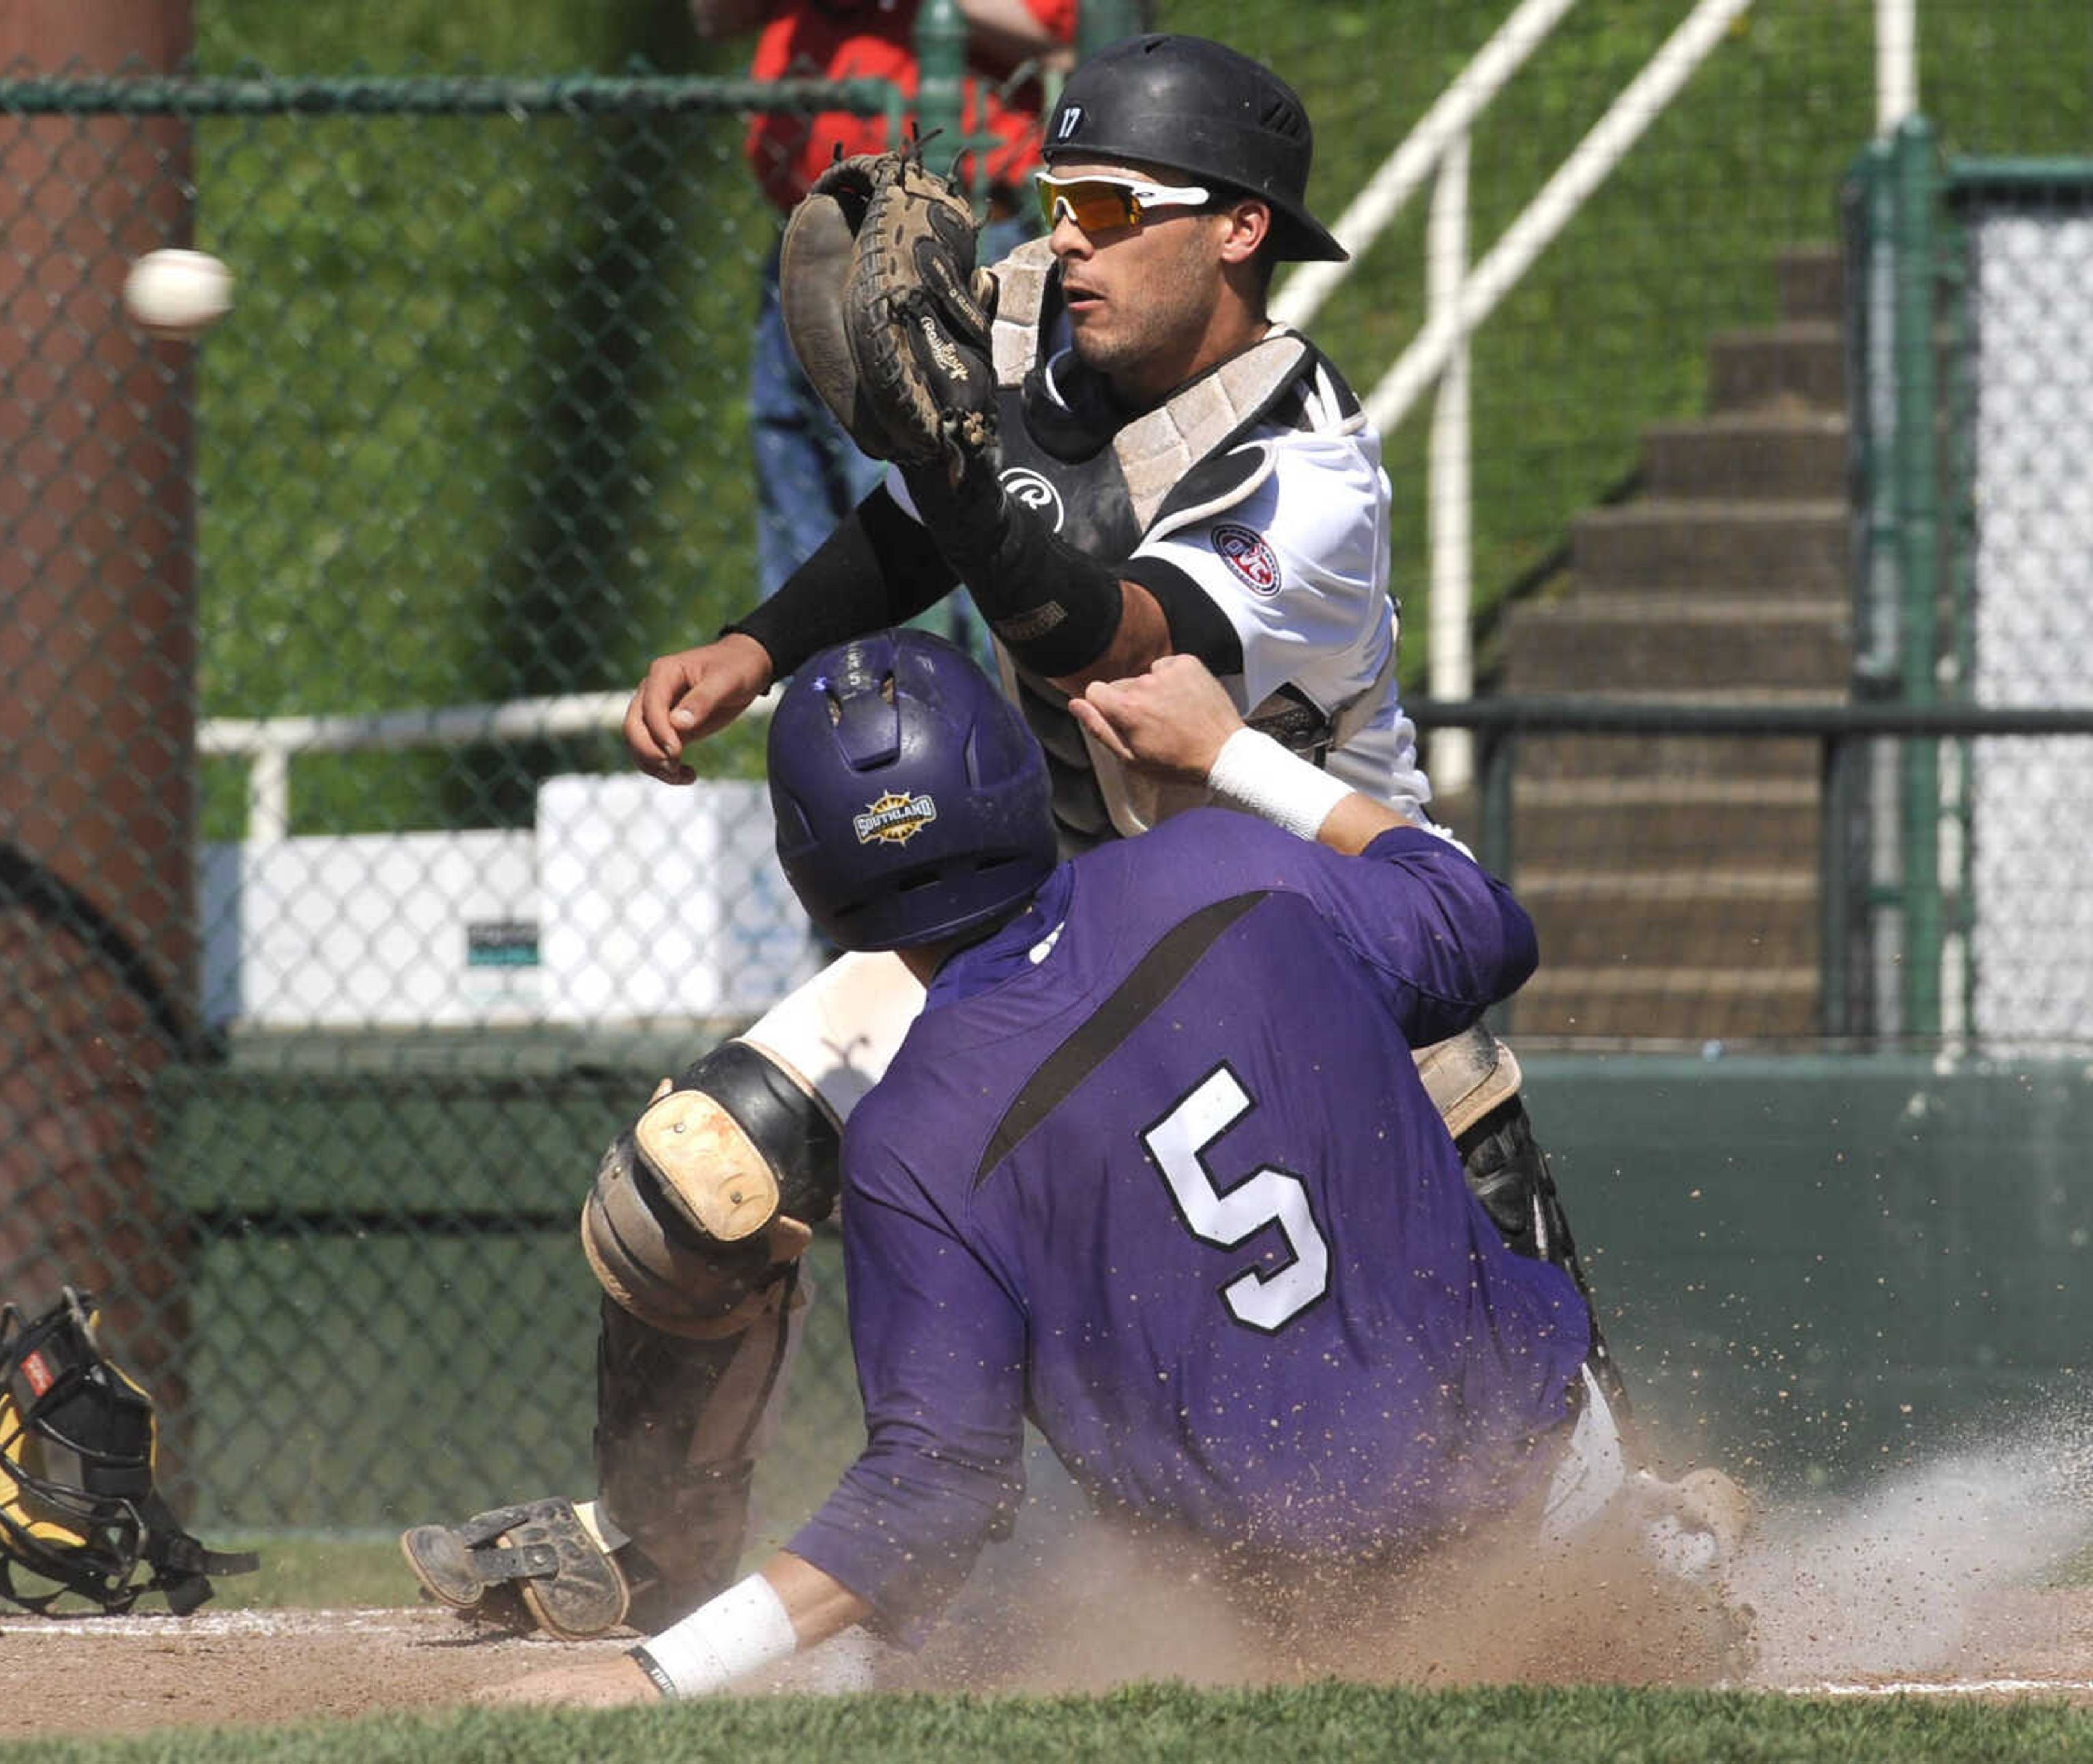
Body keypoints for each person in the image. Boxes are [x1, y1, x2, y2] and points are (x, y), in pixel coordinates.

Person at [398, 31, 1619, 1640]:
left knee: (1541, 1531)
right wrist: (759, 644)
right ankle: (654, 1555)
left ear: (1238, 228)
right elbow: (928, 526)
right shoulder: (1049, 314)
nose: (1062, 243)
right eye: (1056, 198)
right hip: (1043, 920)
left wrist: (953, 455)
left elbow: (1099, 635)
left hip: (1310, 953)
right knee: (690, 1181)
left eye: (1111, 208)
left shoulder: (1305, 470)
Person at [477, 630, 1713, 1707]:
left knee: (989, 1618)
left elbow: (933, 1493)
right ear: (1013, 781)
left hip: (1310, 1618)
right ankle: (1656, 1540)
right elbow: (1482, 922)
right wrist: (1230, 753)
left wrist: (656, 1673)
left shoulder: (914, 1135)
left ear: (820, 882)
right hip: (1551, 1478)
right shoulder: (1232, 869)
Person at [691, 0, 1079, 601]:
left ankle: (943, 683)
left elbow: (1057, 41)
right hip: (811, 232)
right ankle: (815, 678)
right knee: (791, 448)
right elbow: (712, 17)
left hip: (939, 236)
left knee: (918, 468)